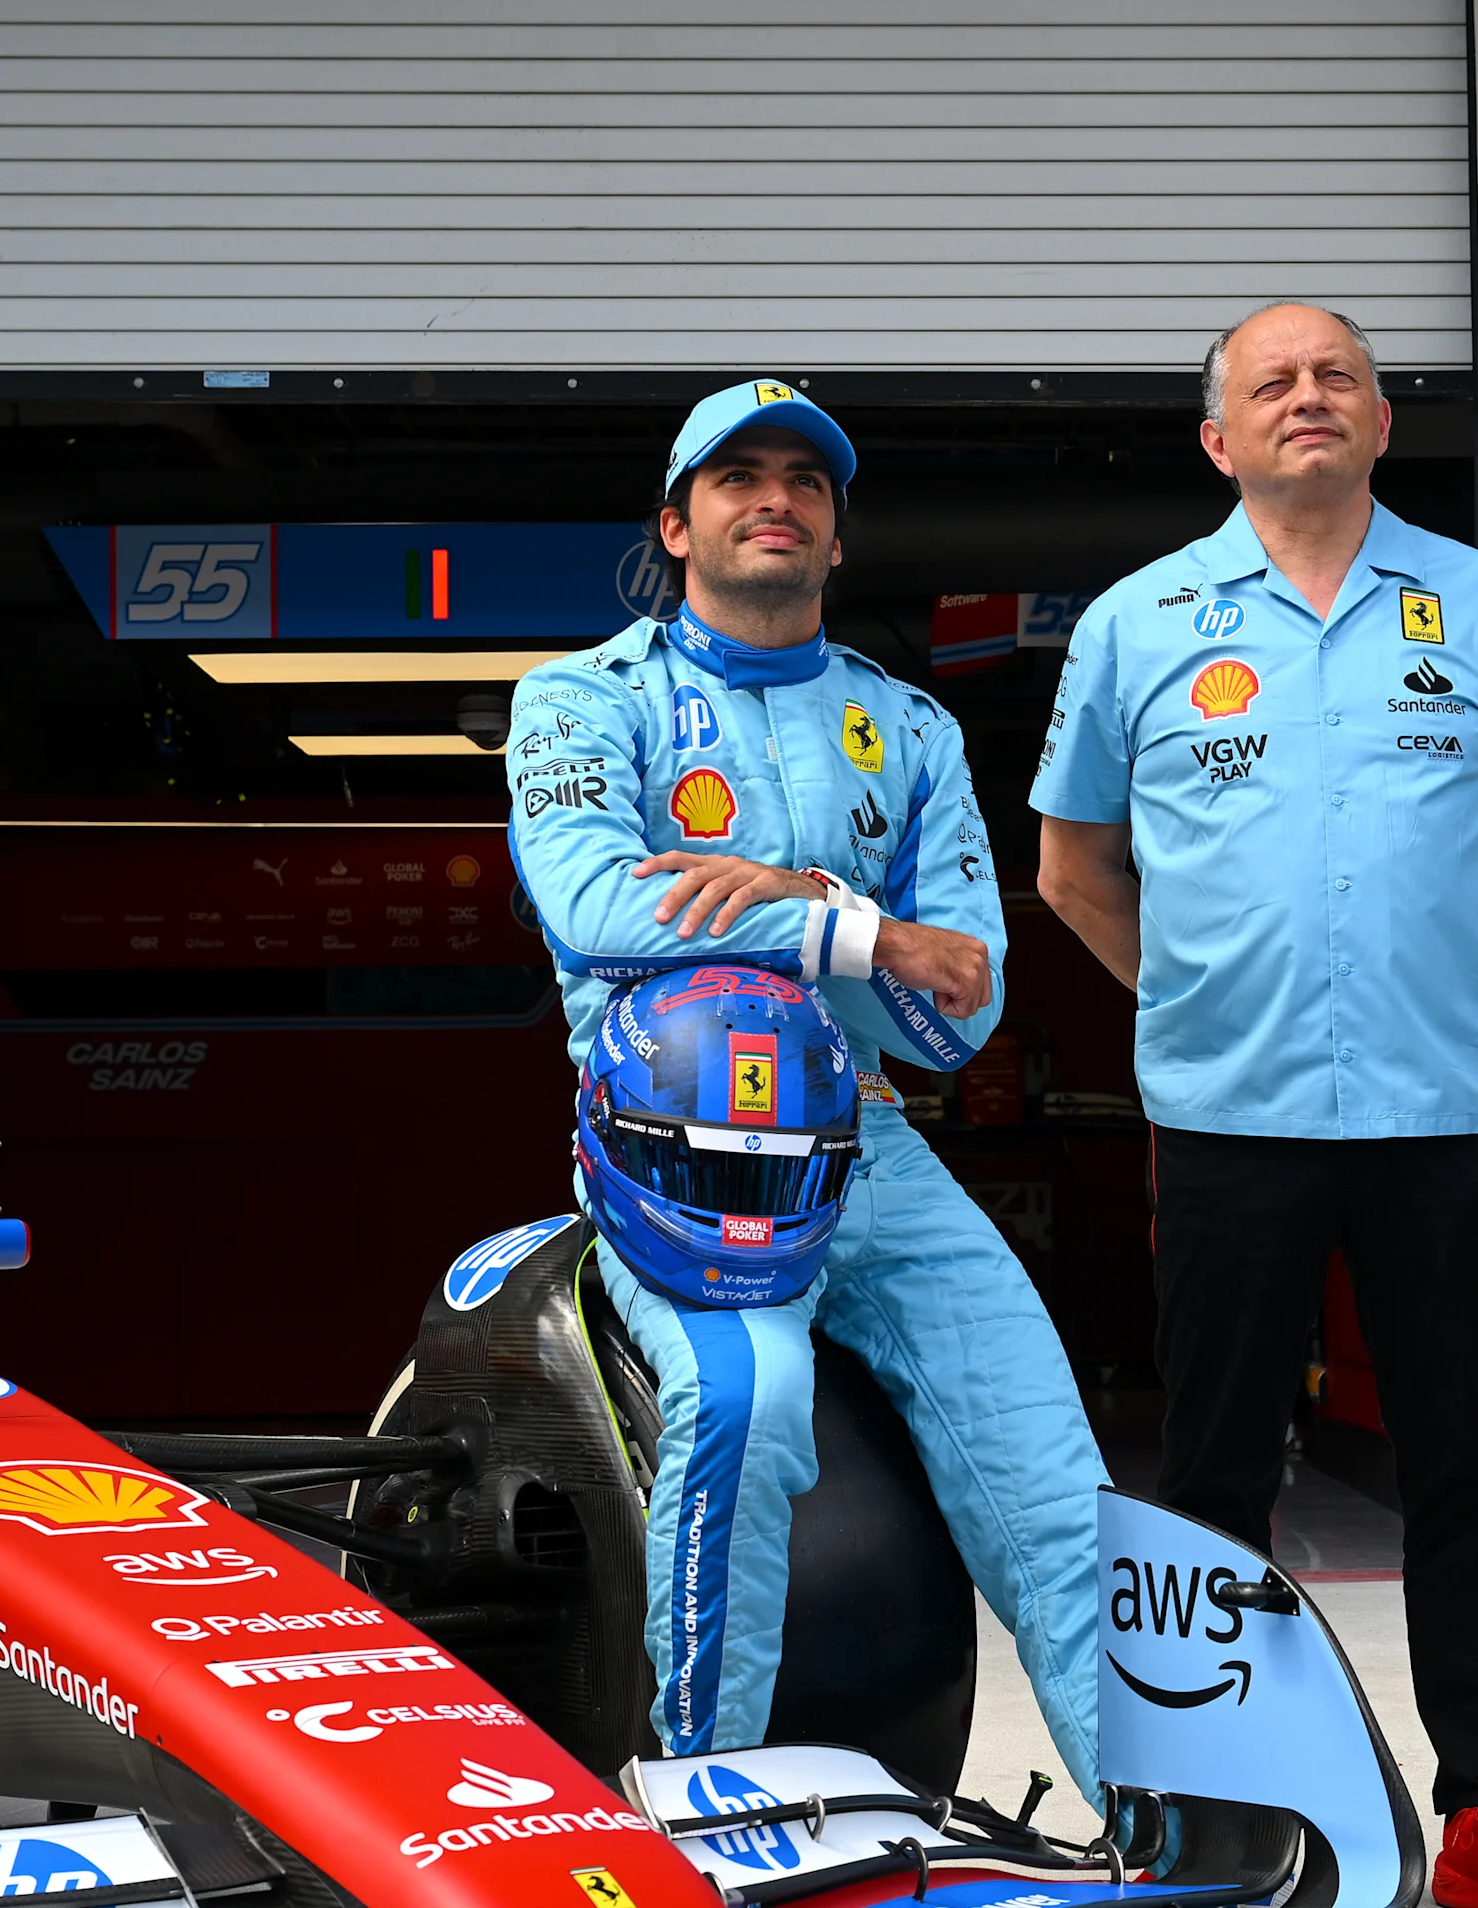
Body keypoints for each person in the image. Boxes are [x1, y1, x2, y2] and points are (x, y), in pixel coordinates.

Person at [1030, 304, 1478, 1908]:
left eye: (1336, 375)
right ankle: (1209, 1813)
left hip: (1438, 1112)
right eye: (1270, 382)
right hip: (1227, 1113)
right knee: (1212, 1480)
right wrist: (1208, 993)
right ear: (1220, 440)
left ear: (1379, 421)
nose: (1308, 397)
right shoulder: (1141, 625)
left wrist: (1404, 965)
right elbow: (1073, 871)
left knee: (1466, 1473)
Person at [506, 379, 1109, 1788]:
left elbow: (963, 1013)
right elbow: (595, 901)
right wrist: (859, 933)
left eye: (806, 482)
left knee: (1056, 1484)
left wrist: (797, 897)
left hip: (871, 1146)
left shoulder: (908, 730)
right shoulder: (586, 698)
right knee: (747, 1405)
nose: (774, 496)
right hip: (676, 1147)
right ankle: (703, 1808)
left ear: (836, 538)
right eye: (737, 476)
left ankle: (1150, 1827)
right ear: (678, 524)